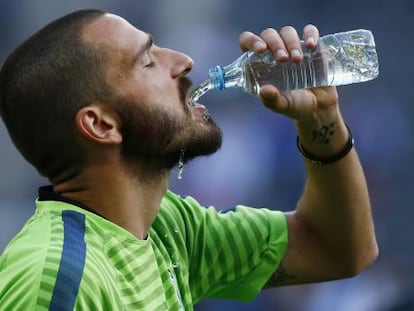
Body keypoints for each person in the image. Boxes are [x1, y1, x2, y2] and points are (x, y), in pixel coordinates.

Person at [0, 9, 378, 310]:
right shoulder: (55, 281)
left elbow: (338, 251)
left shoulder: (169, 228)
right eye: (147, 61)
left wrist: (320, 120)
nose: (184, 61)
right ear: (101, 125)